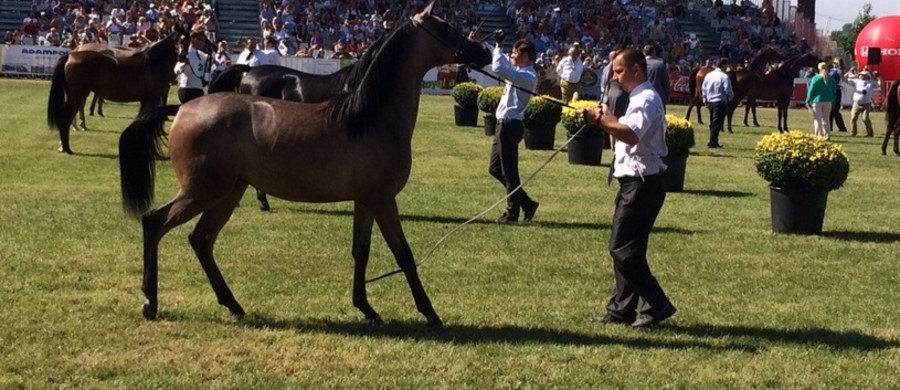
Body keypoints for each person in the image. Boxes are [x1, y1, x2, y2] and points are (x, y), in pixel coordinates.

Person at [580, 48, 676, 329]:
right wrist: (607, 116)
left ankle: (657, 303)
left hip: (642, 183)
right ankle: (622, 309)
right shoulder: (637, 98)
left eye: (619, 71)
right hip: (635, 181)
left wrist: (599, 120)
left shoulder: (646, 99)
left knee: (621, 249)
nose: (615, 77)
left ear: (636, 70)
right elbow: (623, 128)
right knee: (630, 249)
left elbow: (631, 134)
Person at [488, 33, 540, 224]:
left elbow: (499, 67)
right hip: (504, 124)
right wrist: (494, 44)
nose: (512, 55)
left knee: (509, 172)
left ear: (526, 56)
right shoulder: (519, 72)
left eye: (515, 52)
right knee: (495, 169)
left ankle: (512, 213)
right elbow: (503, 63)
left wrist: (499, 46)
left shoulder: (527, 76)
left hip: (510, 125)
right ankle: (527, 203)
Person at [701, 57, 733, 148]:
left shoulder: (709, 75)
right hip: (720, 101)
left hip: (710, 101)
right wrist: (730, 97)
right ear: (724, 65)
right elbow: (727, 89)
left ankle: (713, 140)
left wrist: (705, 99)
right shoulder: (724, 76)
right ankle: (712, 142)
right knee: (717, 122)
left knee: (712, 121)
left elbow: (704, 88)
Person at [173, 31, 210, 103]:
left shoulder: (202, 55)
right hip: (187, 88)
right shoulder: (187, 53)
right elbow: (176, 70)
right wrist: (185, 64)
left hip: (198, 88)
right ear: (193, 40)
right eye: (201, 40)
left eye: (204, 41)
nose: (203, 43)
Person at [805, 62, 835, 140]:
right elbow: (834, 91)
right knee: (826, 119)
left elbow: (811, 90)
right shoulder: (831, 78)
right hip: (828, 100)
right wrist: (833, 100)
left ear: (819, 69)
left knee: (817, 119)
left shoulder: (815, 78)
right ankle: (827, 135)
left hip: (817, 100)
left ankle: (819, 135)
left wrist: (808, 100)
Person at [849, 70, 877, 137]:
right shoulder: (856, 81)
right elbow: (844, 79)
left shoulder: (871, 82)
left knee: (865, 118)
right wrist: (849, 71)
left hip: (866, 104)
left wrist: (878, 76)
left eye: (863, 75)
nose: (861, 76)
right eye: (861, 74)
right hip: (856, 103)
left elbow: (880, 83)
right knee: (853, 118)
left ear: (867, 76)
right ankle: (853, 132)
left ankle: (870, 133)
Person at [643, 44, 670, 109]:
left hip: (643, 95)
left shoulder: (640, 64)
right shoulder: (660, 64)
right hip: (658, 96)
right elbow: (666, 82)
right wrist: (667, 95)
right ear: (654, 52)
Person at [829, 58, 848, 132]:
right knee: (830, 110)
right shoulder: (831, 70)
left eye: (836, 63)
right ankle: (830, 126)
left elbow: (843, 79)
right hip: (830, 90)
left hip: (836, 90)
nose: (834, 64)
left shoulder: (839, 71)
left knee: (835, 110)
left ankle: (841, 127)